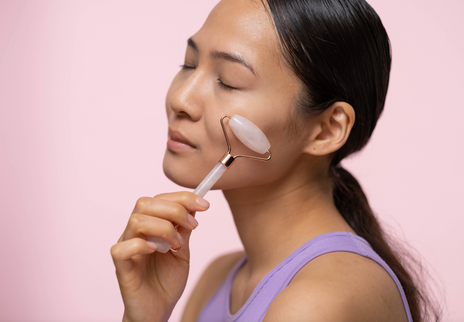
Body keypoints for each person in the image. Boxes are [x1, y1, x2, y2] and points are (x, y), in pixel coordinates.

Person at [111, 0, 440, 321]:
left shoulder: (317, 303)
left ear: (327, 129)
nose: (181, 99)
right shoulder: (217, 280)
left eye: (229, 81)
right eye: (189, 65)